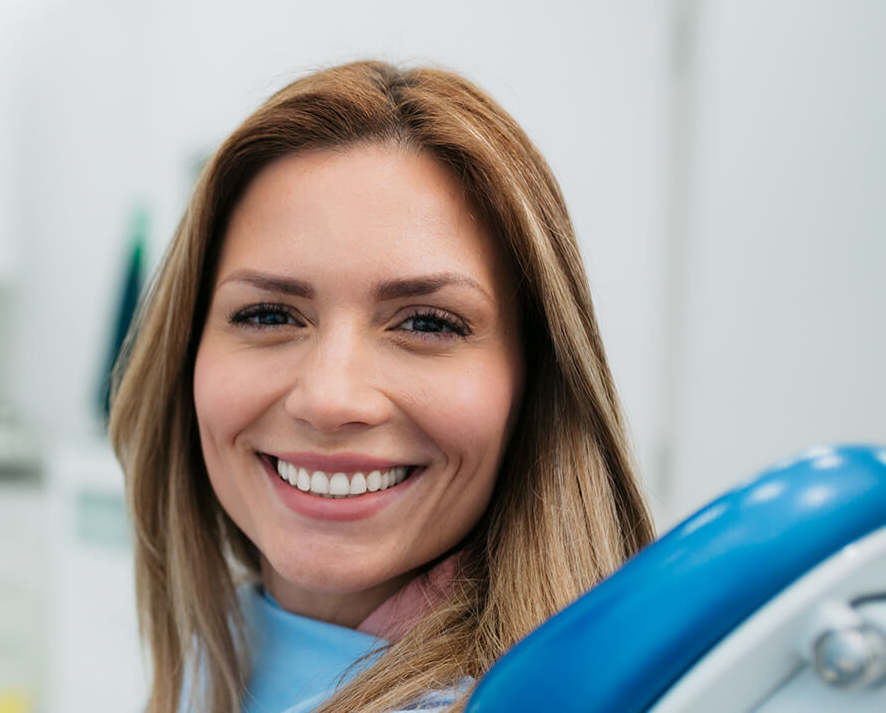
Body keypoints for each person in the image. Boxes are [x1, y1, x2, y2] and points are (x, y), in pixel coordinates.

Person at [107, 60, 655, 713]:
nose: (330, 398)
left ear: (533, 385)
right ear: (185, 354)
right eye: (269, 314)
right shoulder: (222, 651)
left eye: (427, 323)